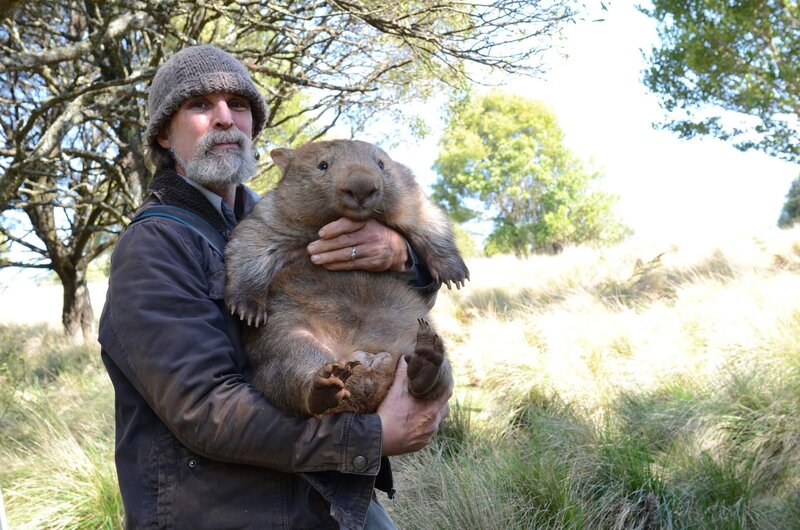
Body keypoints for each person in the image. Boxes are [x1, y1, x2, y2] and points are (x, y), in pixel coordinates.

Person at [98, 44, 451, 530]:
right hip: (225, 512)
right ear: (163, 132)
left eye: (238, 105)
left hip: (319, 492)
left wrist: (404, 257)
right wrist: (368, 436)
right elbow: (204, 408)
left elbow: (375, 308)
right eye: (200, 105)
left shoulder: (282, 216)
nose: (224, 118)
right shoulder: (154, 247)